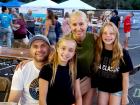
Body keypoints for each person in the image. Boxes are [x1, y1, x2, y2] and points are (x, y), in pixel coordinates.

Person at [93, 22, 133, 105]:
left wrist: (125, 96)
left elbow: (125, 77)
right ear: (101, 35)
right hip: (102, 88)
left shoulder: (123, 53)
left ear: (116, 36)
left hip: (116, 89)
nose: (108, 36)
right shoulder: (98, 51)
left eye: (111, 33)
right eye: (105, 33)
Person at [39, 36, 82, 105]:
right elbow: (42, 99)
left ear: (74, 53)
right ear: (57, 48)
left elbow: (78, 95)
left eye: (70, 50)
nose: (66, 52)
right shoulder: (47, 69)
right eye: (63, 48)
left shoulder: (74, 69)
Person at [8, 35, 51, 105]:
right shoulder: (21, 69)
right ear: (30, 50)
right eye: (35, 46)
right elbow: (12, 101)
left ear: (49, 49)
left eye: (43, 46)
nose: (39, 49)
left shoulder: (56, 69)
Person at [68, 10, 96, 105]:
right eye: (74, 24)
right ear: (70, 25)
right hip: (70, 82)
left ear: (87, 23)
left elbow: (113, 47)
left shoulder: (95, 39)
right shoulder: (65, 41)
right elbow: (52, 57)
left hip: (89, 80)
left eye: (81, 24)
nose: (78, 28)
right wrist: (30, 62)